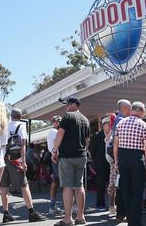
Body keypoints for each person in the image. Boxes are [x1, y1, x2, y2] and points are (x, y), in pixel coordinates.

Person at [0, 108, 45, 223]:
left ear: (11, 116)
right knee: (24, 185)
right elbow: (23, 144)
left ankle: (6, 213)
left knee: (4, 187)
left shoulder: (5, 126)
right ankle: (31, 212)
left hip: (3, 159)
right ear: (20, 116)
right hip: (15, 160)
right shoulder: (21, 126)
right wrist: (23, 161)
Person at [51, 96, 90, 226]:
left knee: (67, 186)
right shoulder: (85, 120)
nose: (66, 107)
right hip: (81, 156)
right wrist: (83, 152)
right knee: (79, 185)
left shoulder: (67, 116)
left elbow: (60, 134)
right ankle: (80, 216)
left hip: (67, 157)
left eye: (67, 104)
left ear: (74, 105)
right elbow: (87, 141)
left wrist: (54, 151)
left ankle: (68, 219)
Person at [113, 101, 146, 226]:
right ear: (140, 111)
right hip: (136, 157)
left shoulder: (120, 123)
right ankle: (135, 222)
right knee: (137, 190)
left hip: (123, 157)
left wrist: (116, 160)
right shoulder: (143, 125)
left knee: (126, 190)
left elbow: (115, 144)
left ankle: (130, 220)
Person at [111, 99, 131, 221]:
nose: (131, 110)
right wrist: (117, 160)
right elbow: (116, 143)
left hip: (119, 158)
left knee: (121, 186)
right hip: (122, 157)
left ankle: (120, 213)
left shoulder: (117, 120)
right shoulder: (122, 121)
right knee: (125, 186)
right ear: (124, 108)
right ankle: (124, 213)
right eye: (129, 108)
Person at [90, 115, 111, 212]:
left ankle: (112, 205)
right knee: (101, 185)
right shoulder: (97, 136)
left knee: (113, 185)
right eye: (107, 124)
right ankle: (100, 204)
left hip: (112, 164)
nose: (109, 126)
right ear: (103, 125)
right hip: (100, 164)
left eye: (111, 124)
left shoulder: (114, 135)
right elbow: (92, 151)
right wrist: (96, 162)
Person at [46, 115, 63, 215]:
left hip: (55, 157)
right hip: (57, 157)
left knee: (56, 181)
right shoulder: (55, 132)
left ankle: (52, 205)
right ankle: (54, 206)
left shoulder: (52, 132)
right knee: (63, 182)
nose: (57, 123)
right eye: (55, 121)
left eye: (59, 121)